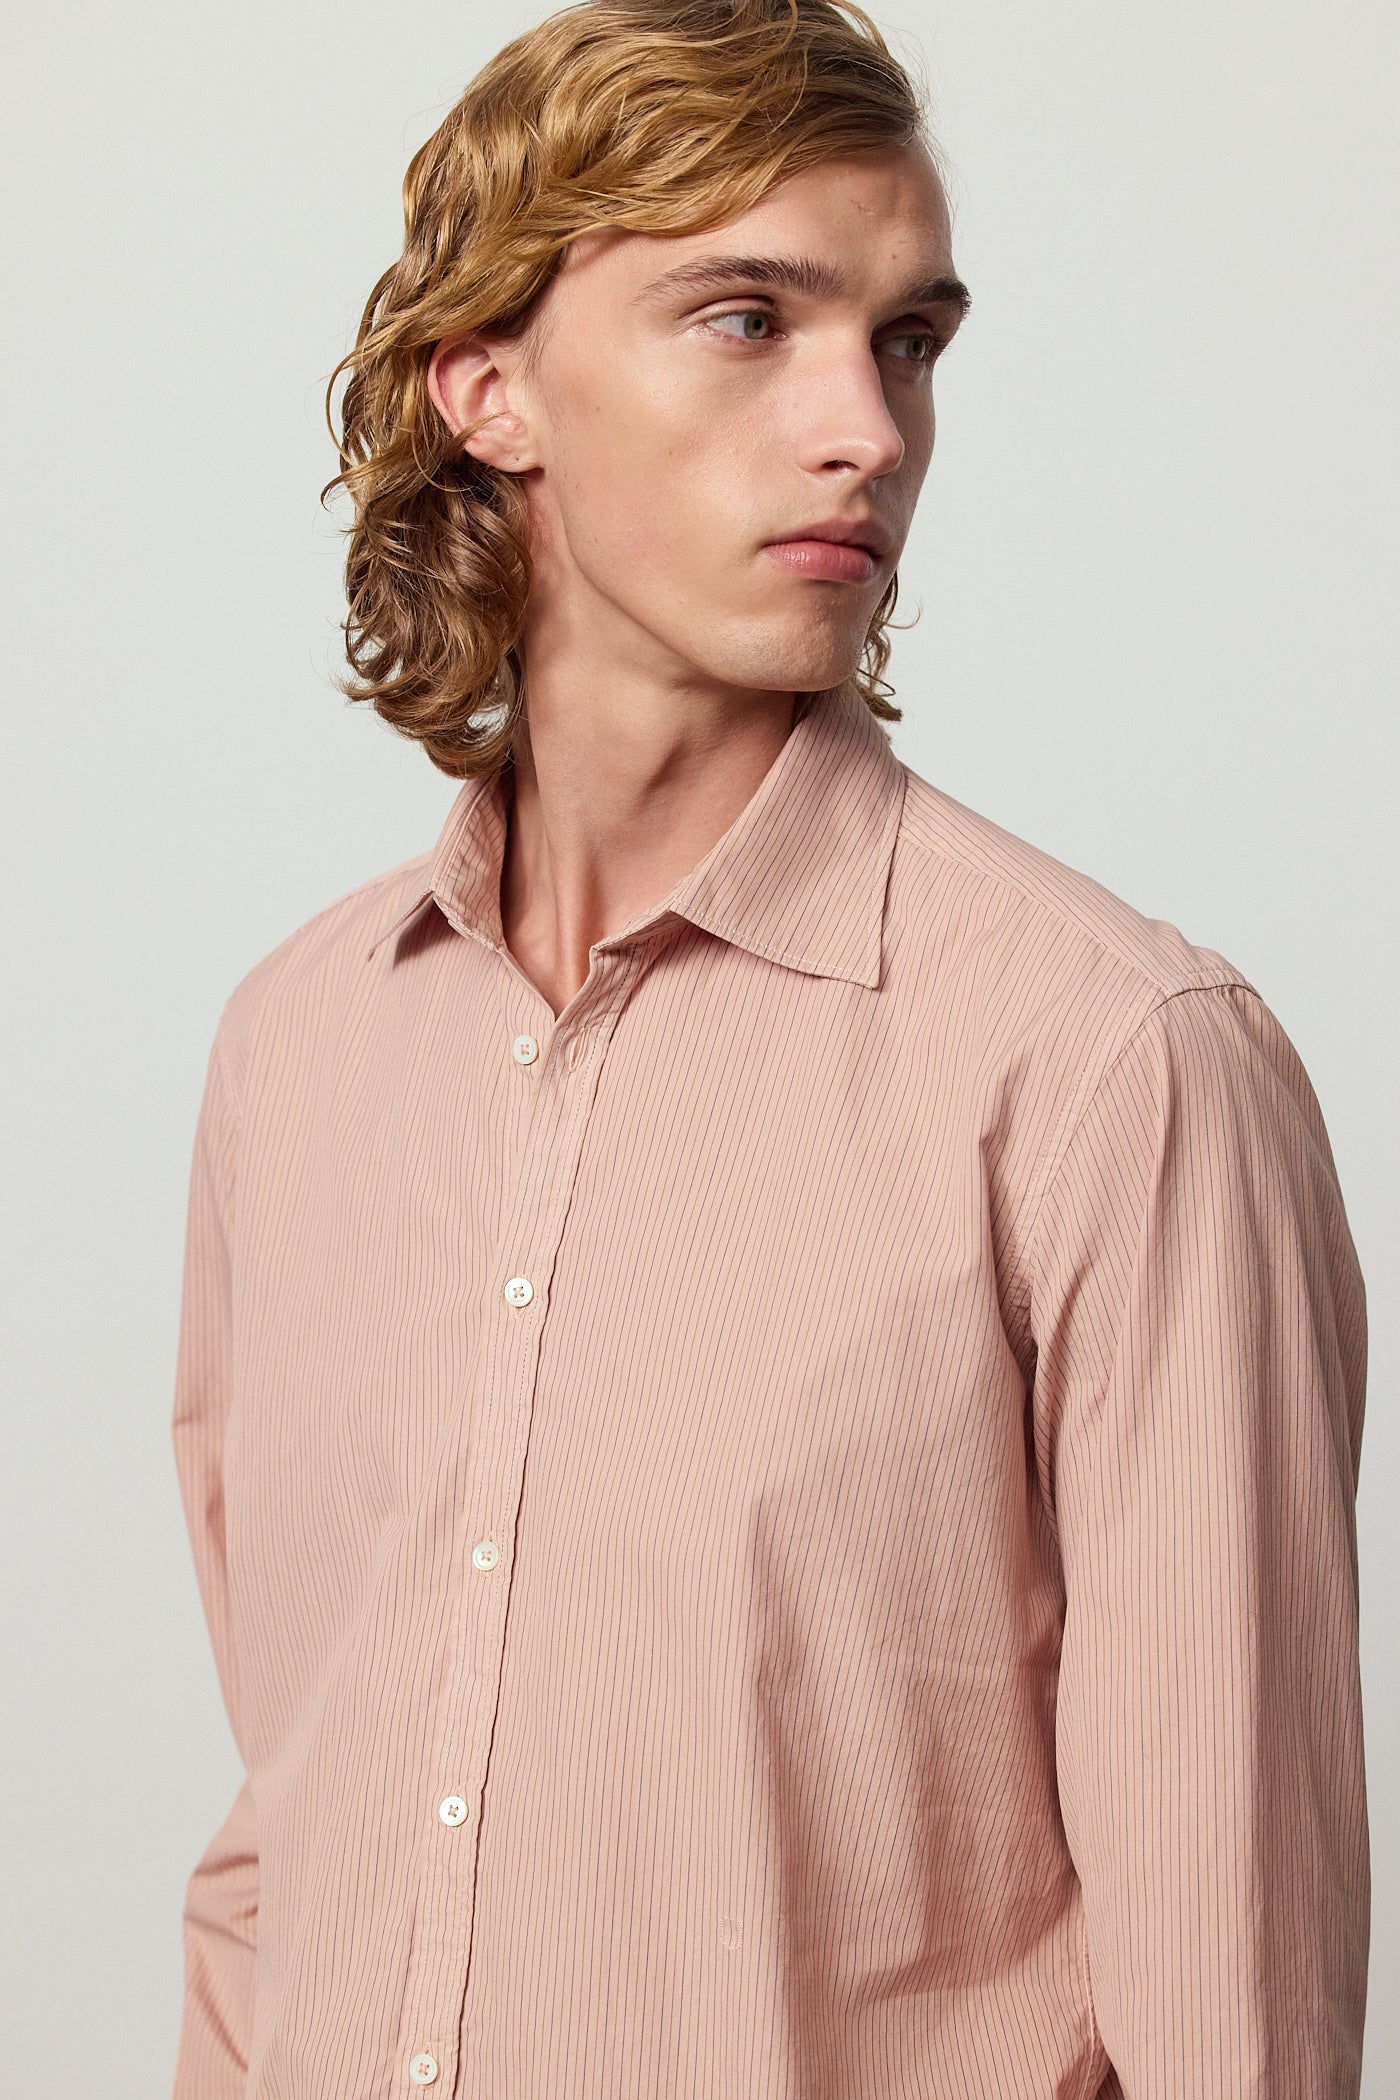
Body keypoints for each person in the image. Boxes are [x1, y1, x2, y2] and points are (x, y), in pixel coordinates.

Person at [168, 2, 1370, 2094]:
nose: (867, 431)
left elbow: (1228, 1990)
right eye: (749, 320)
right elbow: (282, 1853)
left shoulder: (1116, 1069)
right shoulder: (297, 1053)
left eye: (908, 343)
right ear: (489, 389)